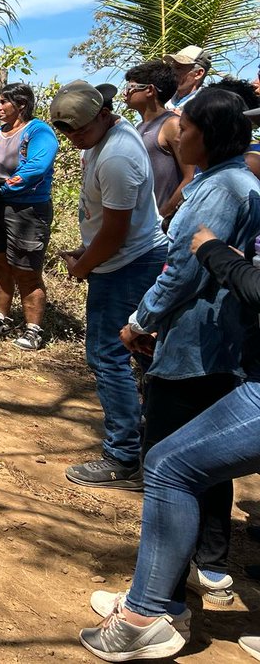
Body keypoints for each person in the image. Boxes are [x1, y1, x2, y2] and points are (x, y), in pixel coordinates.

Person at [78, 215, 260, 661]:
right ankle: (165, 607)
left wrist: (214, 252)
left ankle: (145, 618)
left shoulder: (227, 189)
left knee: (169, 466)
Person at [114, 88, 260, 614]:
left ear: (207, 134)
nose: (177, 134)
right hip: (215, 341)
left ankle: (162, 595)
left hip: (196, 343)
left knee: (171, 461)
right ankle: (206, 567)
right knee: (203, 460)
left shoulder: (221, 188)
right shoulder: (228, 181)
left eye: (187, 126)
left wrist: (140, 320)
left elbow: (184, 271)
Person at [50, 80, 167, 491]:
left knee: (107, 356)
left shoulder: (117, 156)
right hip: (122, 258)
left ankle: (123, 457)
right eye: (67, 132)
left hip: (127, 264)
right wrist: (87, 249)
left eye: (80, 129)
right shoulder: (105, 139)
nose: (75, 138)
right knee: (142, 353)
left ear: (103, 114)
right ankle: (154, 446)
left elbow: (116, 234)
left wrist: (83, 267)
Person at [0, 83, 58, 350]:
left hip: (26, 210)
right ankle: (1, 320)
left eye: (3, 102)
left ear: (21, 104)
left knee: (26, 269)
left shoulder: (38, 131)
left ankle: (33, 330)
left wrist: (4, 189)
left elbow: (37, 167)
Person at [121, 60, 194, 227]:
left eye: (130, 88)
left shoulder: (171, 125)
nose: (125, 93)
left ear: (149, 90)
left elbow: (190, 177)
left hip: (165, 227)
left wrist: (163, 215)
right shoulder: (138, 128)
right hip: (144, 226)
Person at [163, 45, 209, 114]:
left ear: (198, 74)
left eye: (179, 68)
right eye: (172, 68)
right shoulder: (164, 99)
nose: (173, 72)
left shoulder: (205, 108)